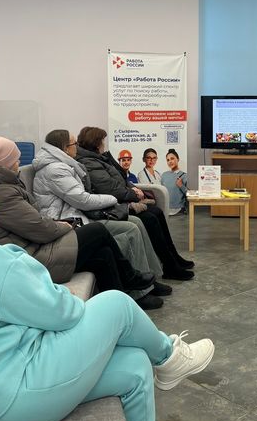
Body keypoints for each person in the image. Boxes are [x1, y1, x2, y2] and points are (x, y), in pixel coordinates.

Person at [0, 165, 215, 421]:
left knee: (135, 367)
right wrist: (67, 298)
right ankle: (169, 357)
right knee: (117, 305)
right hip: (10, 397)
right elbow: (62, 314)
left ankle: (164, 369)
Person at [0, 132, 160, 308]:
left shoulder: (2, 185)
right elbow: (40, 228)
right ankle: (130, 278)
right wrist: (65, 226)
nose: (18, 163)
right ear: (4, 164)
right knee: (97, 231)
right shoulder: (3, 192)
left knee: (103, 254)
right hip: (31, 258)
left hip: (33, 247)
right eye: (15, 159)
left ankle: (120, 304)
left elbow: (34, 222)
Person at [31, 130, 178, 307]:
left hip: (80, 215)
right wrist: (116, 199)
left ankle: (149, 281)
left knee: (138, 222)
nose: (76, 146)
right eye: (73, 144)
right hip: (71, 221)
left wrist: (126, 193)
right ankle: (140, 290)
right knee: (132, 227)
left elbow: (109, 184)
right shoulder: (56, 169)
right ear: (64, 148)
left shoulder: (67, 164)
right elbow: (84, 199)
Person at [76, 127, 195, 280]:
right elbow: (110, 189)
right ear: (96, 143)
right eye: (102, 141)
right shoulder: (89, 163)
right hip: (113, 206)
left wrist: (133, 188)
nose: (104, 144)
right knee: (150, 218)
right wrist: (133, 194)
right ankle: (169, 265)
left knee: (156, 212)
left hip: (121, 200)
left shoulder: (99, 159)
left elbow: (121, 178)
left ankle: (173, 258)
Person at [160, 148, 188, 215]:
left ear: (178, 159)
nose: (170, 161)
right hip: (165, 210)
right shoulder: (164, 175)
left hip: (179, 211)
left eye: (172, 158)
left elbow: (190, 195)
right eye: (168, 160)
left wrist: (181, 186)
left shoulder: (184, 176)